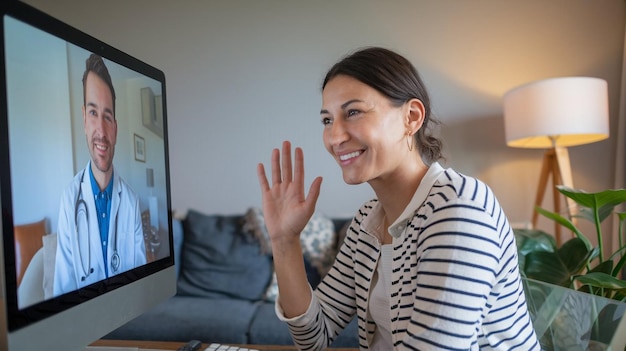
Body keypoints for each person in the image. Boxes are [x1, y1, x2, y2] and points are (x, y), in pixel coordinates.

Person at [256, 47, 540, 350]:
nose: (335, 137)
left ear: (411, 117)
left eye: (353, 112)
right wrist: (284, 240)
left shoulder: (459, 209)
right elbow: (314, 337)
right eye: (327, 120)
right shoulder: (367, 222)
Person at [53, 54, 146, 297]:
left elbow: (140, 285)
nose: (101, 132)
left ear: (115, 128)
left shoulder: (131, 201)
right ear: (84, 118)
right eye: (94, 113)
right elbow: (62, 293)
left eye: (107, 116)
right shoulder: (68, 200)